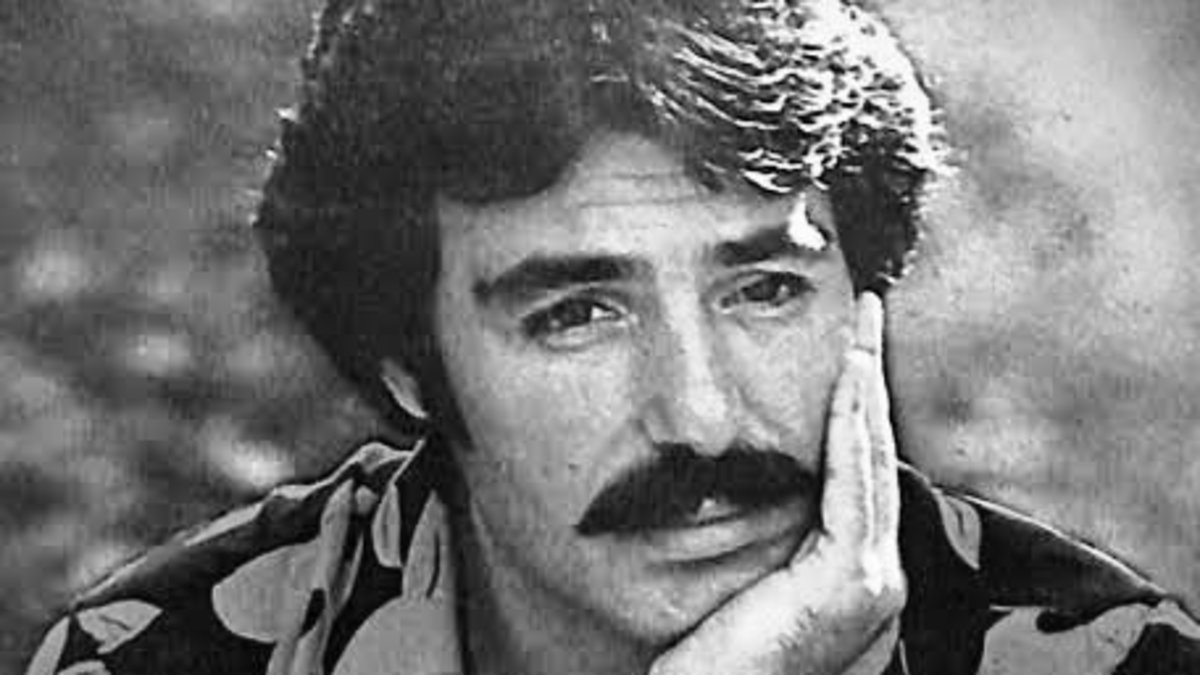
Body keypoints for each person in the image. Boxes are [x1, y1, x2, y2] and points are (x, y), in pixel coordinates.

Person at [23, 0, 1200, 673]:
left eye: (764, 290)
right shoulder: (159, 659)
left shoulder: (1104, 663)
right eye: (575, 313)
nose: (702, 417)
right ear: (409, 367)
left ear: (863, 302)